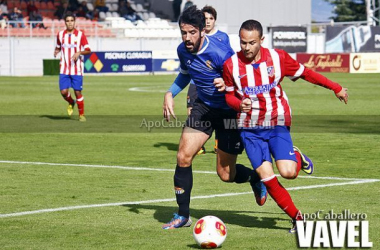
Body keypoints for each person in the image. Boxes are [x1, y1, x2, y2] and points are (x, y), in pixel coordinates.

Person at [223, 19, 349, 233]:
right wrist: (238, 103)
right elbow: (228, 95)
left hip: (277, 121)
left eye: (252, 43)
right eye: (243, 42)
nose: (247, 48)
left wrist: (335, 87)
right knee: (267, 177)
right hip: (249, 129)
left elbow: (307, 73)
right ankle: (298, 219)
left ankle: (297, 157)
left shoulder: (278, 58)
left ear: (261, 40)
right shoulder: (231, 65)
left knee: (289, 172)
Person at [161, 6, 267, 230]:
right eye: (183, 32)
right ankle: (183, 215)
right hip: (204, 109)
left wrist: (227, 84)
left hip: (230, 111)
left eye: (192, 32)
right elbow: (185, 74)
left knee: (226, 174)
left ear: (202, 31)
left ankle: (255, 179)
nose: (187, 38)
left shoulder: (219, 52)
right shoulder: (183, 50)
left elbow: (244, 78)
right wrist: (170, 92)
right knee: (183, 156)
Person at [187, 5, 230, 155]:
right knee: (192, 110)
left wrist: (225, 79)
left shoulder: (222, 37)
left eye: (211, 18)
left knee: (218, 113)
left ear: (215, 21)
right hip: (195, 83)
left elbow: (228, 63)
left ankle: (219, 143)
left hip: (215, 86)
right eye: (205, 19)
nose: (208, 21)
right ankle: (197, 144)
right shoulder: (193, 38)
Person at [54, 12, 91, 122]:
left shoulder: (80, 35)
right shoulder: (60, 34)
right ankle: (71, 102)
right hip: (64, 69)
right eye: (67, 21)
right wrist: (56, 51)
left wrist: (79, 52)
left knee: (77, 92)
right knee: (63, 92)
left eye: (71, 20)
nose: (70, 23)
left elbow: (88, 50)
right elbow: (58, 46)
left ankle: (81, 115)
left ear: (75, 22)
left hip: (77, 69)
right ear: (65, 22)